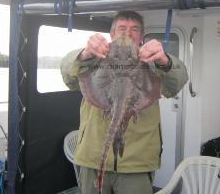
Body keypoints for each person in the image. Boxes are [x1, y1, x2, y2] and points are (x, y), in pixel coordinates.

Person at [61, 11, 188, 194]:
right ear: (112, 35)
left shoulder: (153, 64)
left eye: (134, 29)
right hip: (93, 158)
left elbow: (177, 82)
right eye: (122, 28)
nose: (128, 33)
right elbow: (69, 79)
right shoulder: (93, 60)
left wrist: (165, 61)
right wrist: (84, 54)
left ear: (142, 37)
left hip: (136, 163)